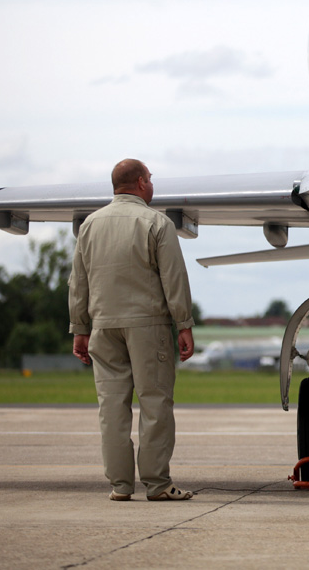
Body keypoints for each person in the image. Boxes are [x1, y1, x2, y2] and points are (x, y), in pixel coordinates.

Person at [70, 159, 196, 502]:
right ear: (140, 183)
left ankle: (120, 485)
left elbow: (78, 282)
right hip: (147, 325)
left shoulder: (89, 225)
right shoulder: (156, 222)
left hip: (102, 327)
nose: (153, 185)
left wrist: (79, 328)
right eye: (150, 179)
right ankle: (157, 484)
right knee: (155, 403)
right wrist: (184, 323)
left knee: (111, 407)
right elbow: (173, 277)